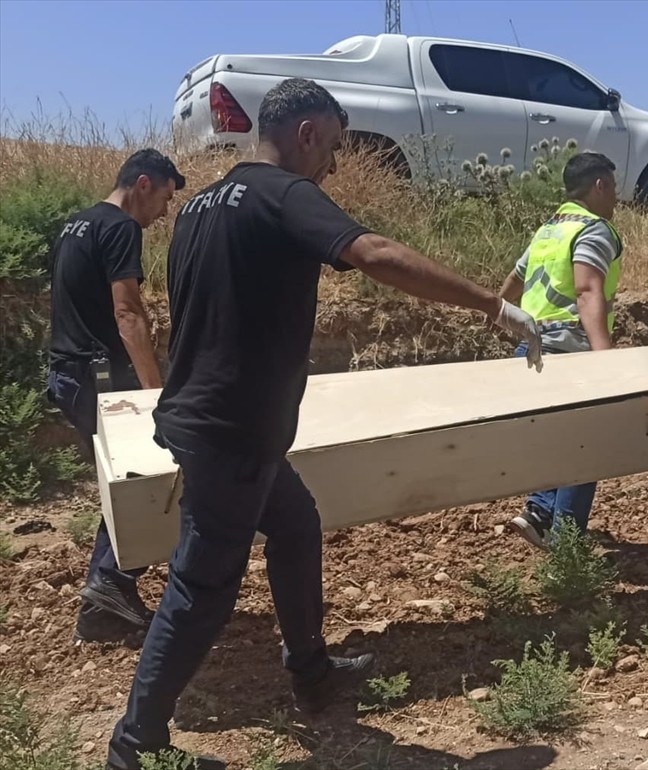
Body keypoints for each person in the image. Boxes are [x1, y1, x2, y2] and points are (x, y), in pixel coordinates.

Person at [105, 78, 543, 770]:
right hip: (233, 431)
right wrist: (493, 305)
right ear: (305, 133)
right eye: (333, 146)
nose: (335, 164)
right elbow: (374, 254)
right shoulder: (284, 194)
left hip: (214, 420)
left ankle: (312, 672)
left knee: (295, 523)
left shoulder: (198, 209)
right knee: (201, 588)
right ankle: (135, 747)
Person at [46, 149, 185, 644]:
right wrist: (155, 394)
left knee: (119, 486)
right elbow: (127, 314)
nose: (164, 212)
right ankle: (110, 580)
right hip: (101, 378)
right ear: (143, 184)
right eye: (165, 198)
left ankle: (105, 603)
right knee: (143, 482)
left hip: (68, 373)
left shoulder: (75, 225)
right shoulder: (121, 227)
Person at [499, 152, 623, 549]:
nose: (616, 198)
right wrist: (605, 360)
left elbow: (517, 277)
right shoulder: (594, 230)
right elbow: (587, 291)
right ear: (600, 185)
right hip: (570, 351)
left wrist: (495, 310)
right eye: (614, 188)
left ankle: (539, 512)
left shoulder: (548, 230)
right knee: (585, 446)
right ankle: (565, 539)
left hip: (533, 350)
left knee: (555, 440)